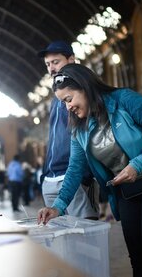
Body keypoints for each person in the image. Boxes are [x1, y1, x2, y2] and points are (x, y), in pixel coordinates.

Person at [37, 64, 142, 277]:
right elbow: (75, 168)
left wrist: (138, 164)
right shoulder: (78, 127)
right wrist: (58, 206)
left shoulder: (125, 100)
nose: (68, 107)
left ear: (85, 87)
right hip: (127, 191)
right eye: (63, 103)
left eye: (69, 99)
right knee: (138, 260)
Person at [37, 41, 100, 219]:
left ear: (71, 59)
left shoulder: (86, 91)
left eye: (56, 62)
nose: (51, 68)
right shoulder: (55, 99)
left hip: (76, 178)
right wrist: (44, 176)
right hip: (50, 178)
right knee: (58, 242)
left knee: (86, 240)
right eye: (48, 64)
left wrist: (86, 174)